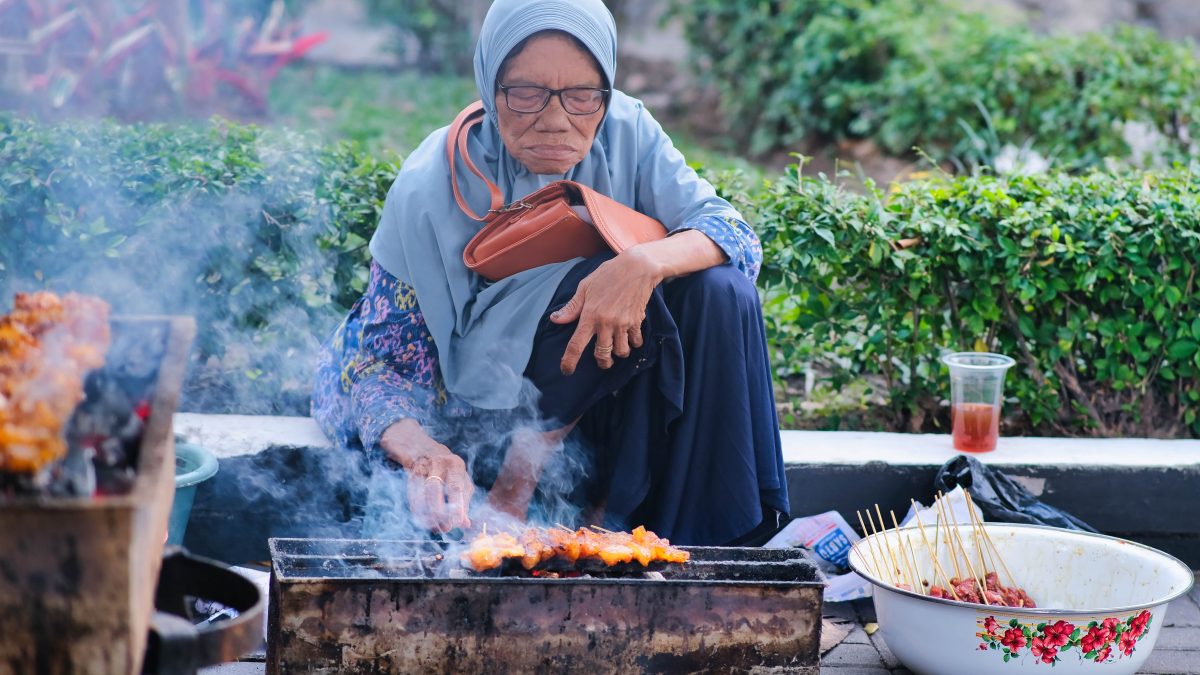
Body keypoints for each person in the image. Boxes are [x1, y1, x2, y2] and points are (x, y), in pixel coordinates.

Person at [312, 0, 790, 546]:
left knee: (719, 289)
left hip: (602, 403)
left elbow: (737, 238)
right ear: (491, 89)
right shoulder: (428, 185)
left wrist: (640, 264)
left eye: (582, 95)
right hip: (478, 415)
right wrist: (427, 454)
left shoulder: (627, 129)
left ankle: (699, 542)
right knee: (597, 267)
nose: (556, 119)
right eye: (525, 93)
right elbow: (374, 366)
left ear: (605, 92)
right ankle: (511, 499)